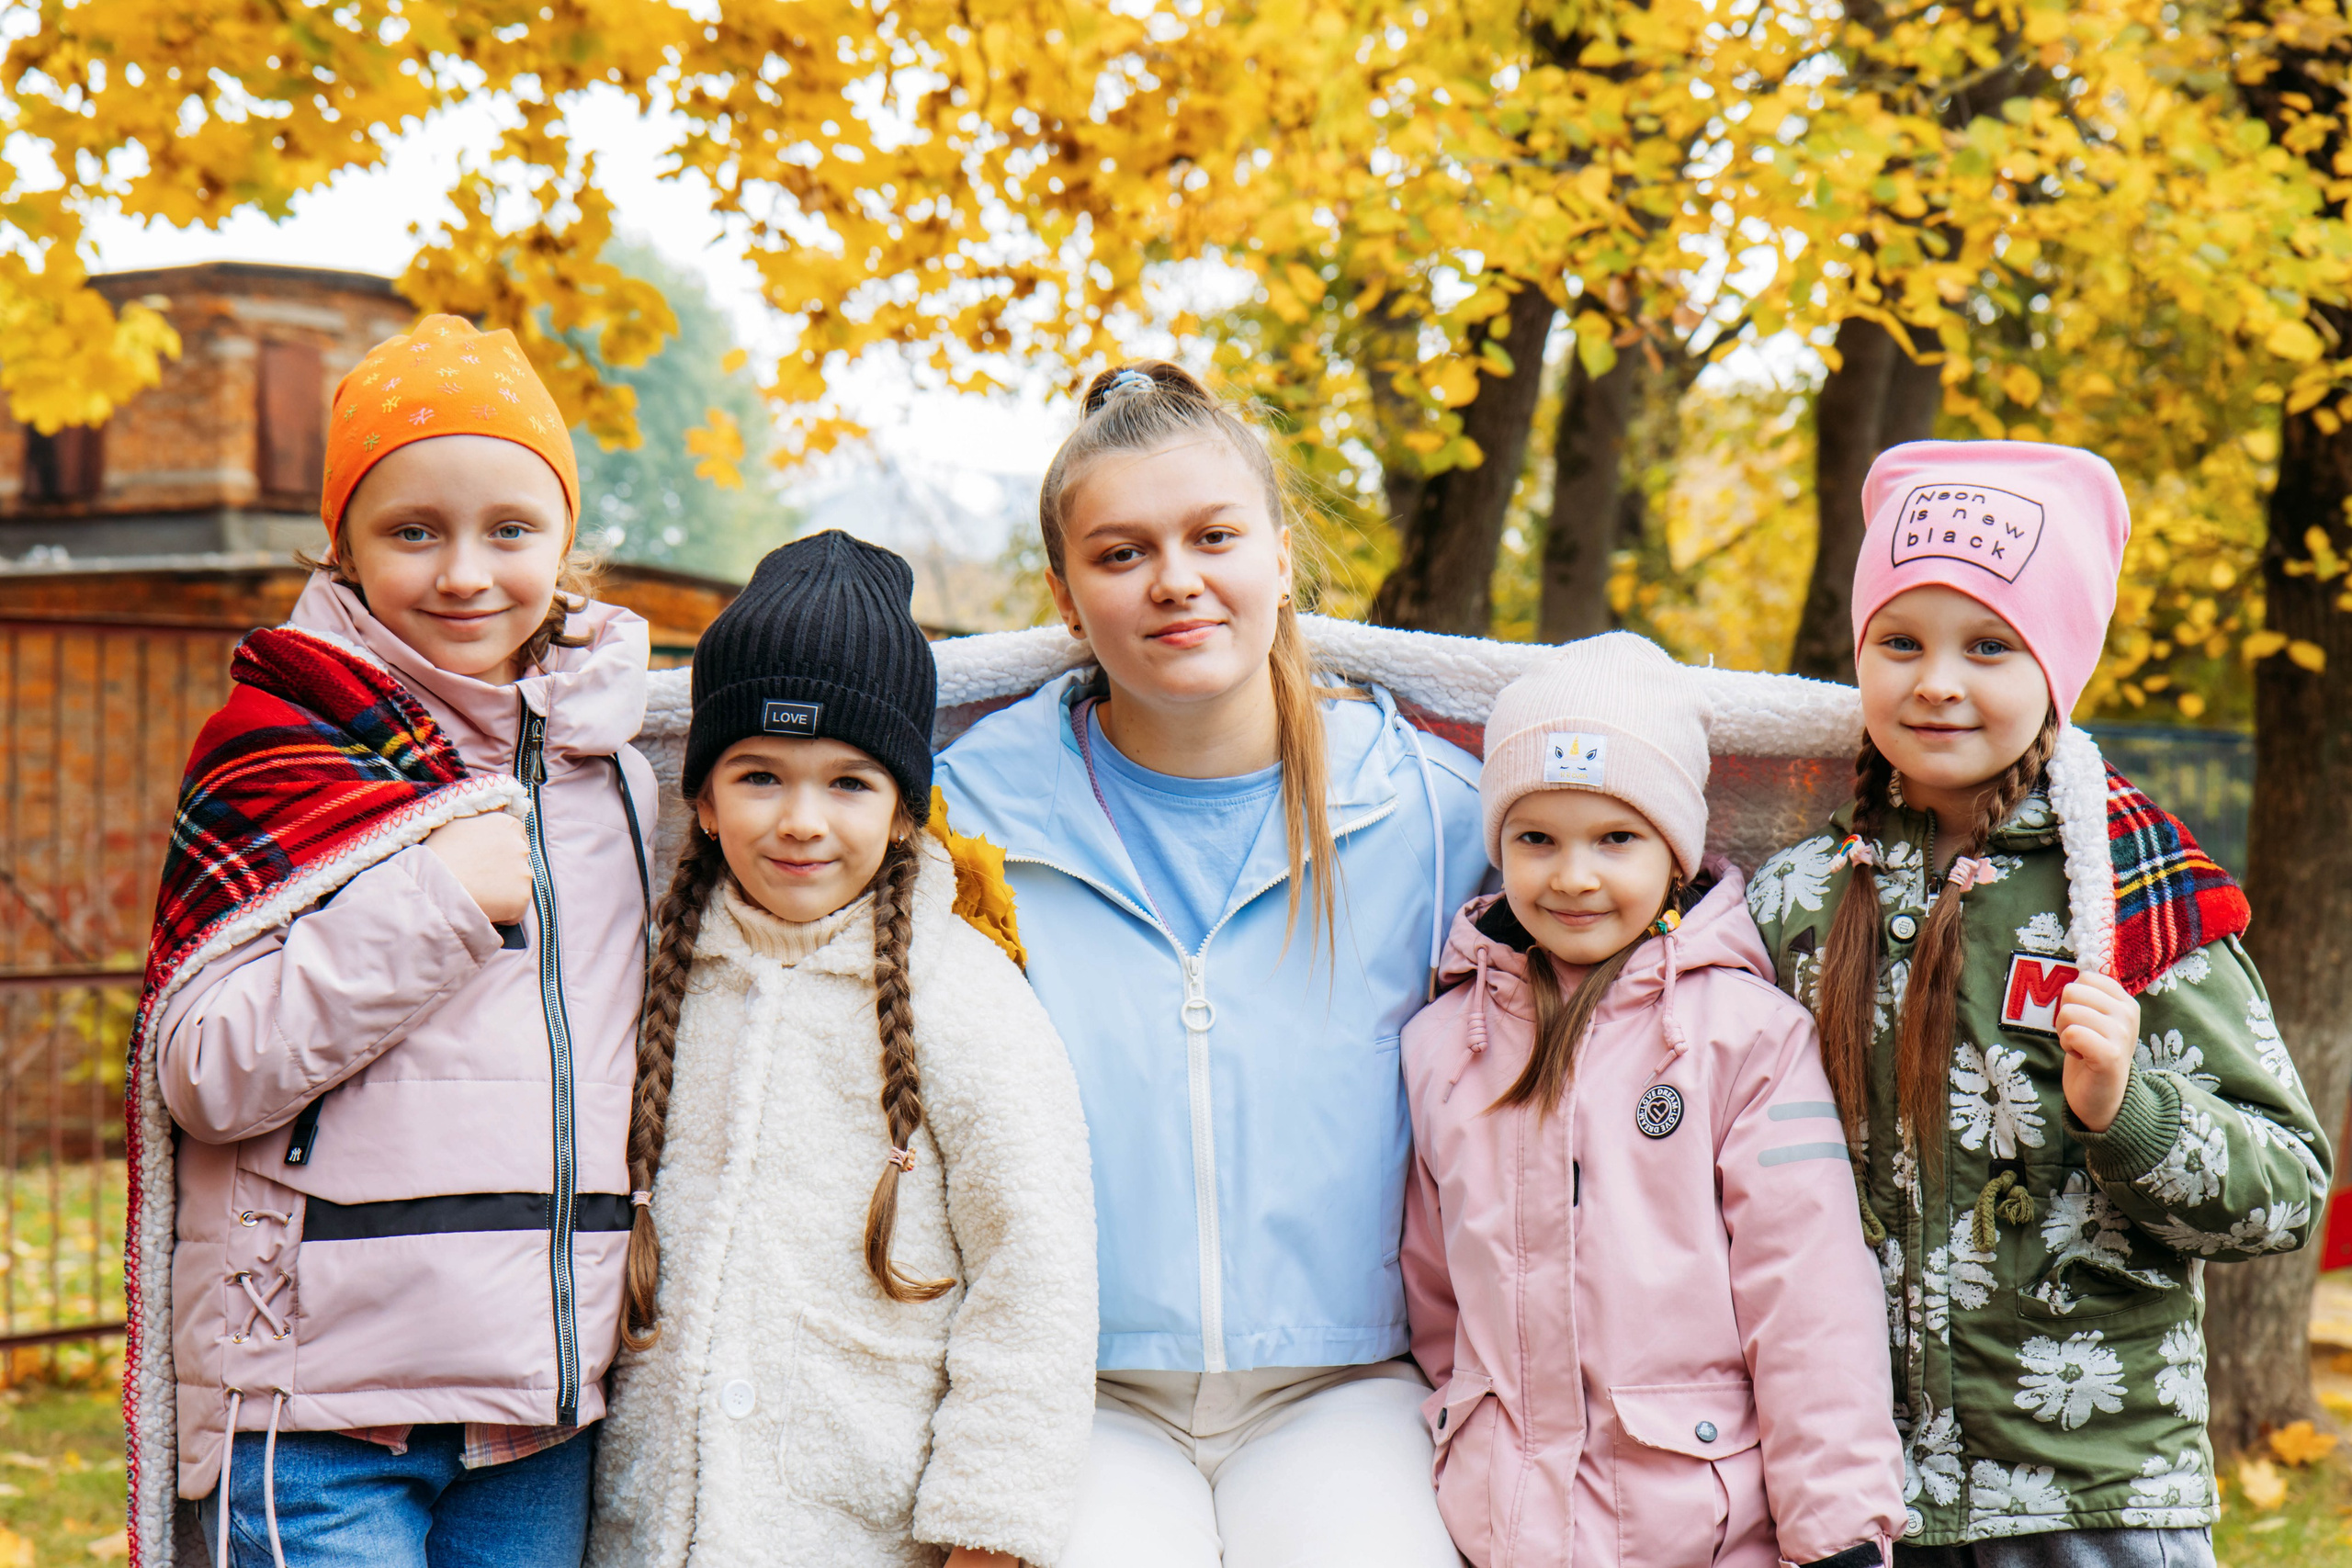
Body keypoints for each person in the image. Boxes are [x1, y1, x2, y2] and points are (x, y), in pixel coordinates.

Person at [933, 363, 1487, 1567]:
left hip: (1345, 1376)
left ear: (1281, 560)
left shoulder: (1441, 817)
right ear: (1066, 597)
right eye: (1121, 552)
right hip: (1079, 1385)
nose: (1175, 578)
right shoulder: (967, 823)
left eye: (1214, 535)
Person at [126, 315, 656, 1567]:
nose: (465, 571)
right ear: (345, 547)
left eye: (510, 529)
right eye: (414, 529)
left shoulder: (621, 774)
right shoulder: (286, 749)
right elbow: (204, 1070)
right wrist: (434, 906)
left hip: (539, 1410)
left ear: (568, 539)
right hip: (322, 1412)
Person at [1747, 442, 2332, 1565]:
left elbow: (2288, 1194)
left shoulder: (2129, 892)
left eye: (1990, 646)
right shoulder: (1792, 902)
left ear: (2056, 664)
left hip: (2098, 1496)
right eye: (1898, 642)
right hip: (1860, 1496)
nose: (1936, 681)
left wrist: (2129, 1110)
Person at [588, 532, 1098, 1568]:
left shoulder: (969, 1003)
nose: (802, 822)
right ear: (703, 797)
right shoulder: (644, 979)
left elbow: (1033, 1281)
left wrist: (986, 1534)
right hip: (650, 1530)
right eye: (761, 775)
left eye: (850, 784)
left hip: (865, 1531)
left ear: (906, 807)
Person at [1401, 633, 1905, 1568]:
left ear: (1675, 855)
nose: (1574, 875)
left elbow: (1809, 1295)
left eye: (1616, 838)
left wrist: (1836, 1531)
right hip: (1500, 1525)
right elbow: (1434, 1295)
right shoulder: (1444, 1045)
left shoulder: (1743, 1037)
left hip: (1704, 1525)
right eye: (1536, 838)